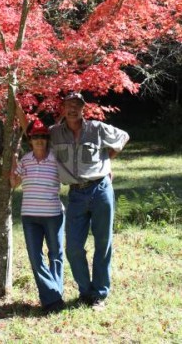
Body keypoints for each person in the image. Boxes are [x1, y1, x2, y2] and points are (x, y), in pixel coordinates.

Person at [49, 92, 129, 309]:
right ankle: (85, 291)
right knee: (73, 246)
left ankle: (99, 293)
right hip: (75, 194)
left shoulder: (96, 128)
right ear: (63, 108)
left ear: (83, 108)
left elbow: (123, 137)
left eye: (77, 105)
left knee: (103, 243)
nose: (73, 109)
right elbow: (33, 139)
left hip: (101, 189)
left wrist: (108, 159)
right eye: (69, 105)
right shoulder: (54, 133)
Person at [10, 119, 65, 313]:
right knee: (35, 258)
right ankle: (54, 296)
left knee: (56, 255)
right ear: (30, 140)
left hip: (53, 215)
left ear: (47, 140)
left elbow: (71, 176)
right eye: (36, 137)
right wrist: (12, 163)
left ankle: (53, 299)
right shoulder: (25, 160)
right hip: (30, 216)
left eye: (43, 137)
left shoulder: (56, 159)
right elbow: (13, 183)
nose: (40, 140)